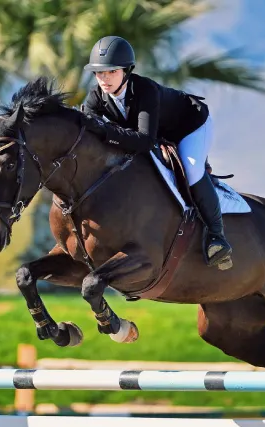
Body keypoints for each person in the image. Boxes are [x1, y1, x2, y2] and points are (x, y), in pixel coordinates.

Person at [81, 35, 232, 268]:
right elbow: (88, 131)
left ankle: (217, 236)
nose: (104, 79)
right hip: (156, 132)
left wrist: (103, 131)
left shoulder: (145, 90)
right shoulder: (95, 97)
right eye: (99, 73)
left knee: (191, 170)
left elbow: (143, 140)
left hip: (189, 125)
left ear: (126, 71)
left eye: (111, 72)